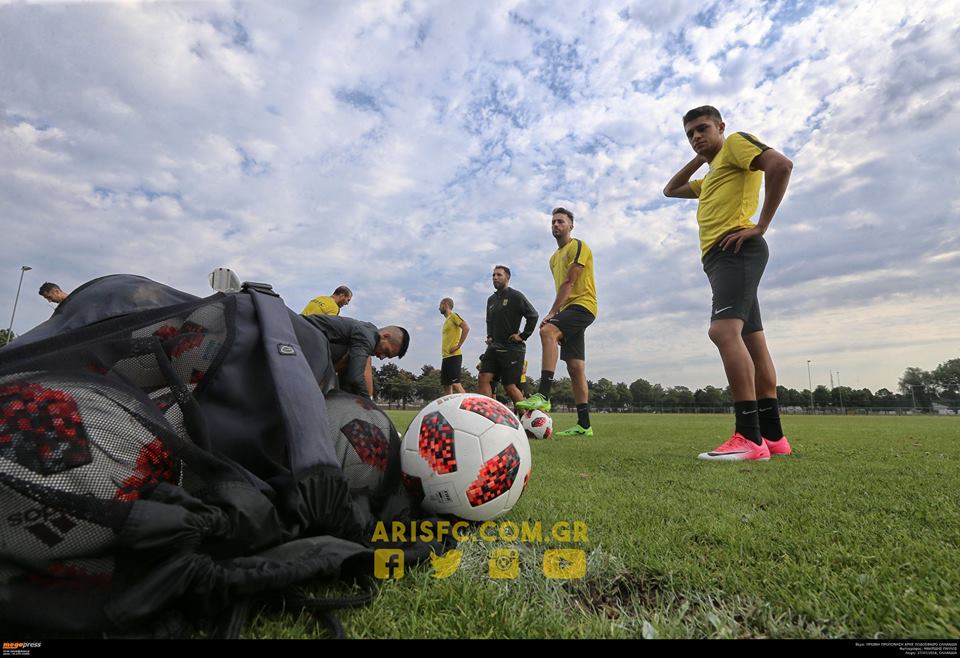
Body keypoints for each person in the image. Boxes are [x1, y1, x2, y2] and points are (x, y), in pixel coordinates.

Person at [663, 105, 794, 461]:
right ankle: (773, 436)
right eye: (690, 134)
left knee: (722, 332)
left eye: (703, 129)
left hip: (735, 249)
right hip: (722, 258)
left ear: (722, 126)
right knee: (753, 340)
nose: (696, 137)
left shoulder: (736, 144)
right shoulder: (711, 176)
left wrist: (761, 225)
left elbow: (780, 166)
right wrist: (702, 156)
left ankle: (748, 437)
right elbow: (670, 189)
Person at [517, 207, 597, 437]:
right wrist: (561, 319)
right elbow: (561, 286)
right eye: (553, 222)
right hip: (568, 311)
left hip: (584, 305)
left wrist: (553, 314)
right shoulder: (553, 259)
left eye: (561, 221)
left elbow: (570, 282)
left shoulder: (578, 246)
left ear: (571, 226)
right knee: (575, 367)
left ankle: (543, 395)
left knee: (547, 331)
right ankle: (584, 425)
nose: (556, 225)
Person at [301, 314, 409, 398]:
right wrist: (369, 406)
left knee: (353, 360)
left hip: (304, 339)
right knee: (353, 360)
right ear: (385, 336)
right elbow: (355, 378)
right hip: (299, 337)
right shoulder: (367, 337)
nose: (381, 357)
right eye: (386, 351)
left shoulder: (367, 331)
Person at [478, 266, 538, 411]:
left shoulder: (515, 296)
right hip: (493, 347)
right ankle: (489, 415)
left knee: (510, 386)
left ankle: (530, 419)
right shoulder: (491, 300)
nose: (495, 278)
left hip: (511, 348)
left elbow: (533, 315)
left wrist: (523, 335)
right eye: (493, 275)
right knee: (483, 378)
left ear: (507, 278)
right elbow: (489, 321)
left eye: (499, 275)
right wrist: (490, 335)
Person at [438, 298, 469, 395]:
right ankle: (449, 409)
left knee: (456, 384)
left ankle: (467, 406)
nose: (439, 308)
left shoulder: (453, 316)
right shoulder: (447, 321)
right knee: (447, 385)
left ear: (445, 304)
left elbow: (466, 327)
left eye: (440, 305)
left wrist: (458, 345)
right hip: (446, 357)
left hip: (454, 356)